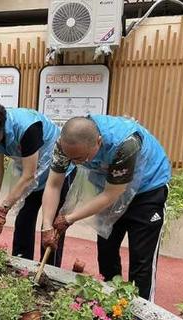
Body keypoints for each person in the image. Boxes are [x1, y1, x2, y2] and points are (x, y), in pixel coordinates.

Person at [41, 115, 171, 301]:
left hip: (147, 191)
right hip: (108, 187)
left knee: (141, 261)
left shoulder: (126, 144)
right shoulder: (65, 145)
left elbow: (112, 195)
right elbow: (54, 184)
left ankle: (141, 312)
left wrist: (69, 218)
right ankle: (111, 305)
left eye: (80, 158)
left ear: (98, 142)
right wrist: (47, 224)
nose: (76, 163)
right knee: (106, 251)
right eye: (71, 159)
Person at [0, 100, 75, 266]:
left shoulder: (28, 127)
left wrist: (3, 208)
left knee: (49, 227)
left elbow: (29, 176)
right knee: (24, 220)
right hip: (32, 173)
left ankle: (49, 271)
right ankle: (21, 265)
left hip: (57, 173)